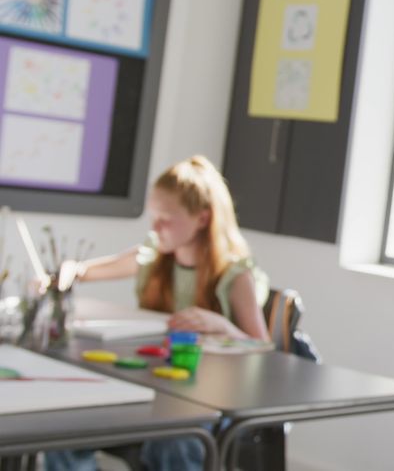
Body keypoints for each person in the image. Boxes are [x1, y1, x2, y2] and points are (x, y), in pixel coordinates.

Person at [46, 155, 270, 471]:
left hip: (203, 402)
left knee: (174, 442)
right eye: (153, 217)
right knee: (64, 428)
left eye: (165, 218)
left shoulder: (234, 275)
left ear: (202, 219)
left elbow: (263, 347)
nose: (155, 227)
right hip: (152, 392)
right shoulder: (153, 257)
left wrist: (221, 325)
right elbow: (83, 271)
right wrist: (67, 272)